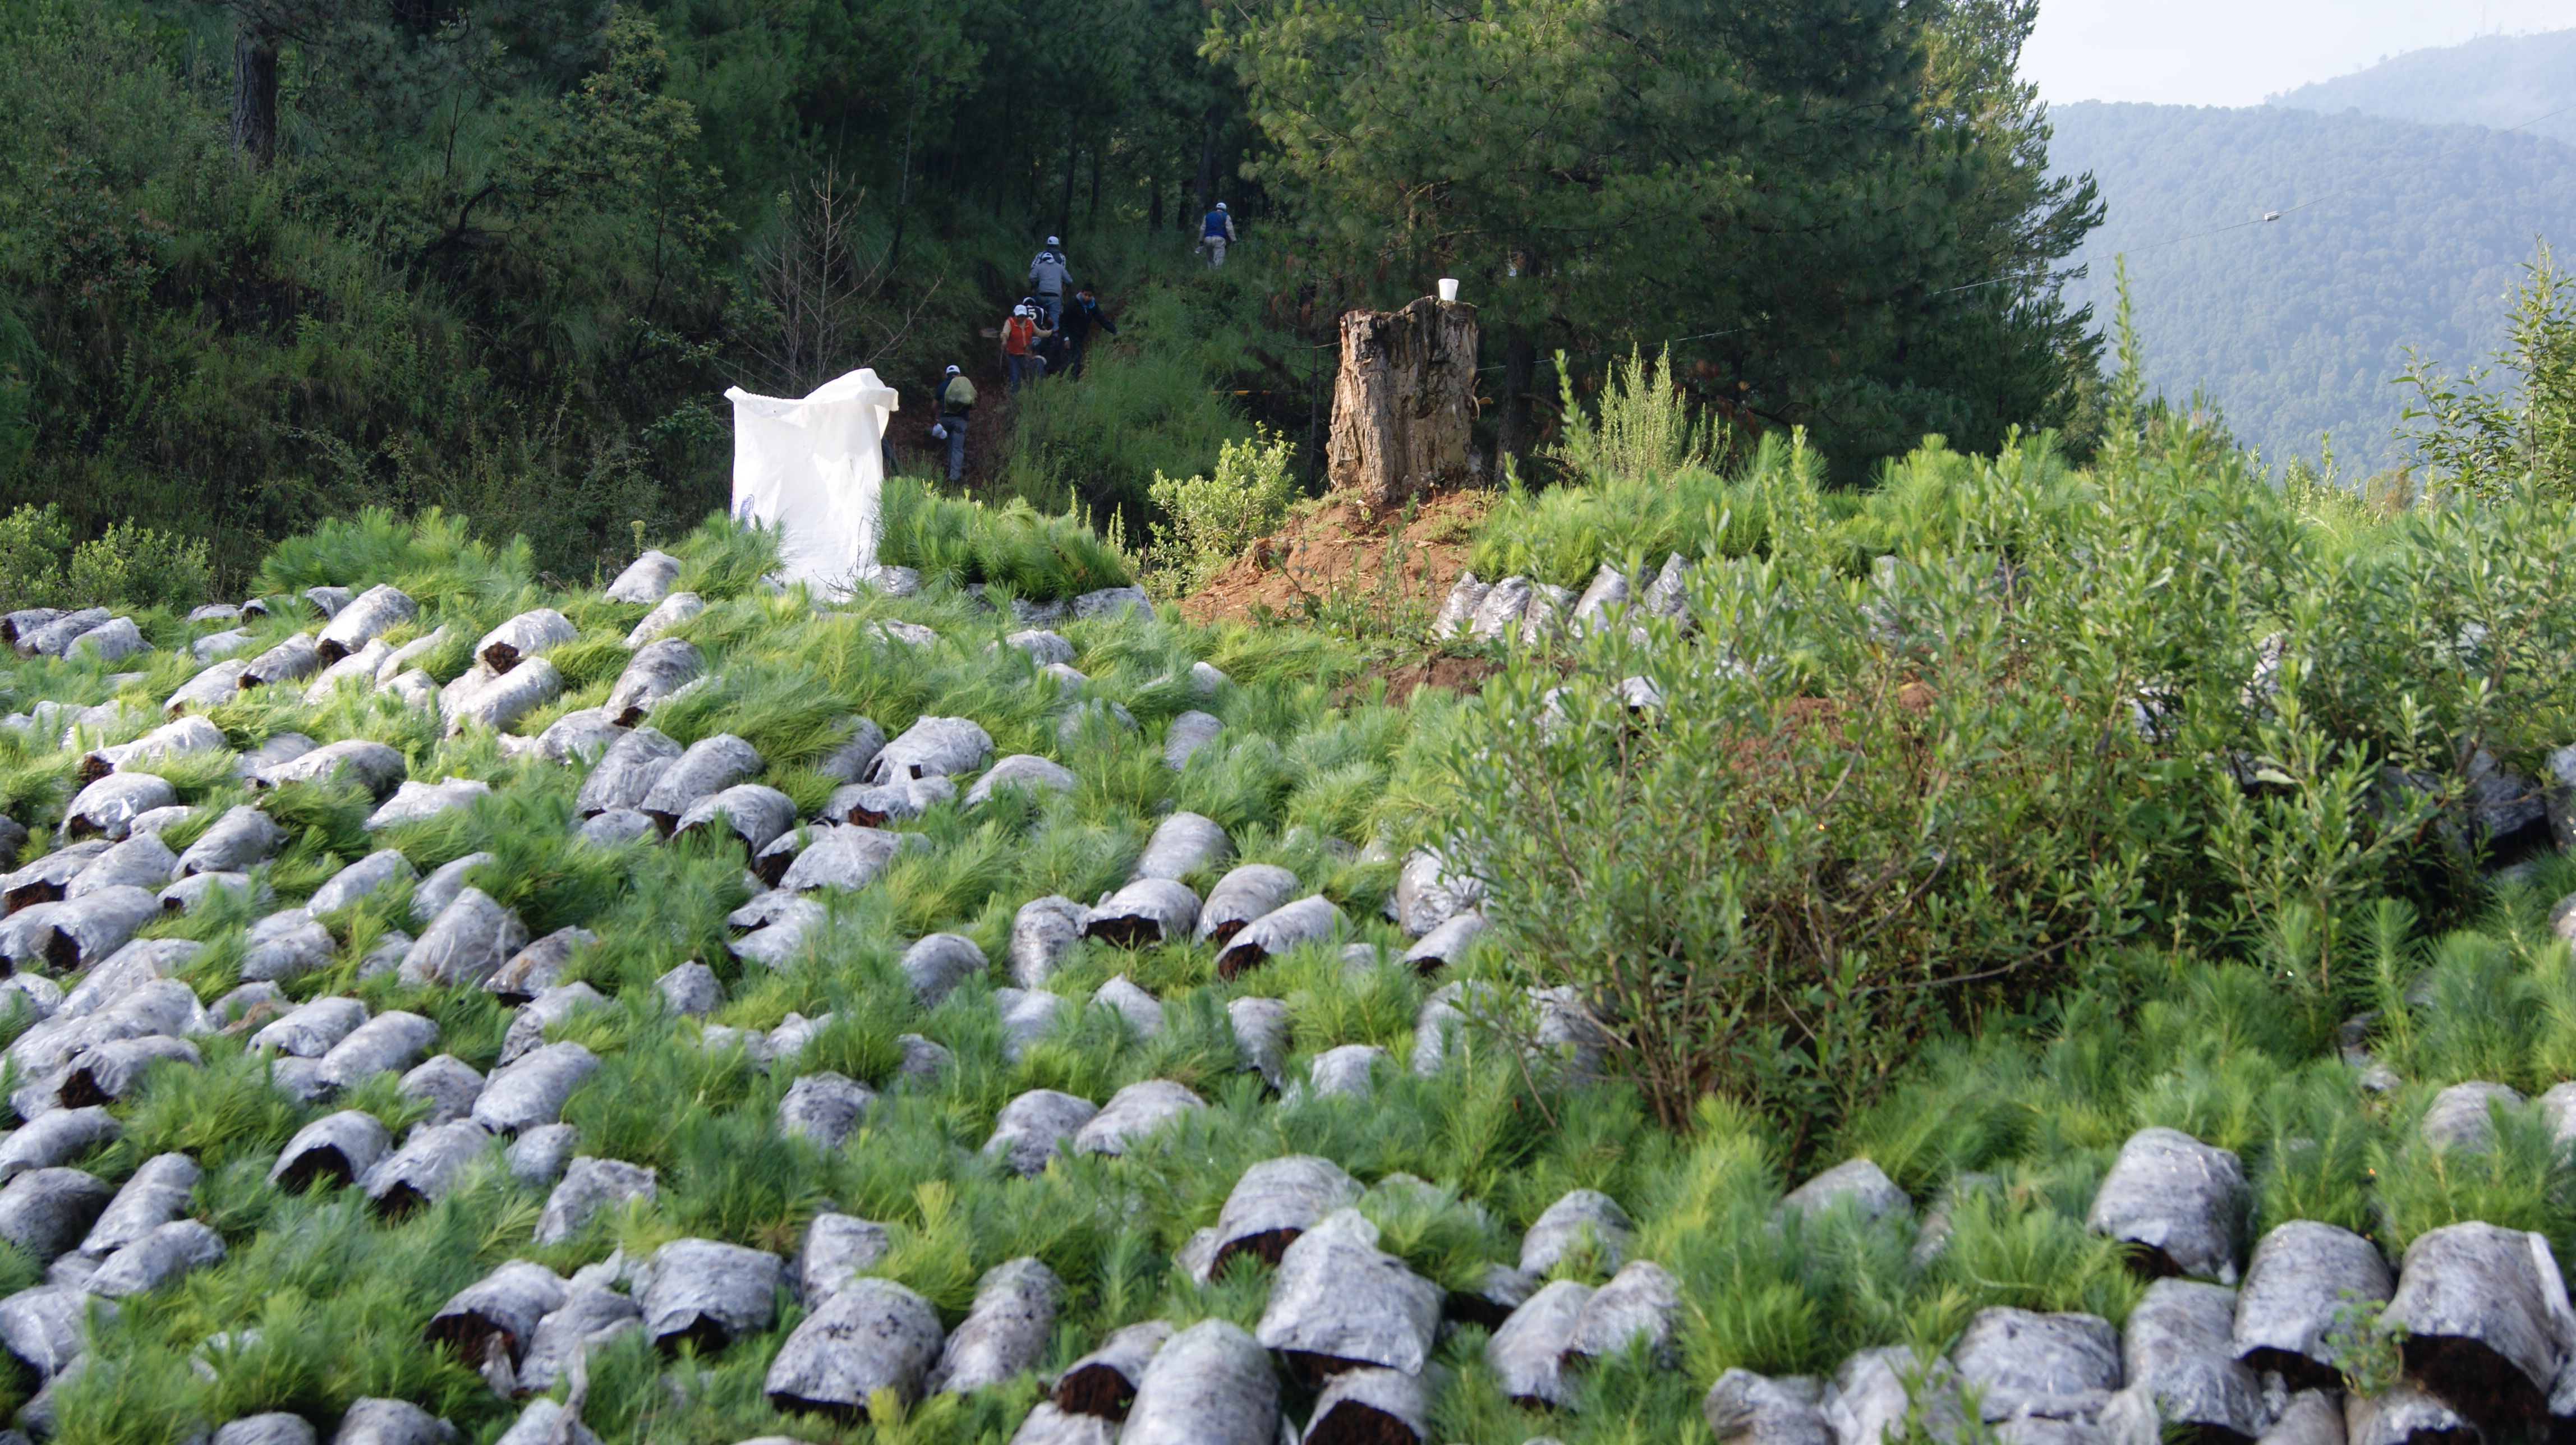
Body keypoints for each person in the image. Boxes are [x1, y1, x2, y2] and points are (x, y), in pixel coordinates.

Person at [1059, 283, 1117, 380]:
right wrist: (1066, 338)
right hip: (1069, 336)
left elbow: (1102, 319)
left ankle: (1074, 383)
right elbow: (1062, 321)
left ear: (1093, 296)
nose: (1087, 298)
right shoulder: (1072, 304)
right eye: (1085, 295)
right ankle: (1062, 382)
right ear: (1081, 293)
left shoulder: (1093, 306)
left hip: (1080, 337)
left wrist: (1115, 331)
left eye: (1089, 296)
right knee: (1067, 361)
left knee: (1077, 361)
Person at [933, 364, 974, 482]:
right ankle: (955, 477)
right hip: (960, 421)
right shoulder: (964, 386)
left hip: (945, 420)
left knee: (950, 444)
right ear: (959, 375)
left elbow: (934, 406)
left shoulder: (943, 386)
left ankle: (950, 469)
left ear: (946, 375)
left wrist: (935, 419)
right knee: (958, 448)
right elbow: (971, 403)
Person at [1000, 303, 1050, 392]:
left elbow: (1039, 333)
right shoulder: (1010, 322)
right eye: (1018, 316)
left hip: (1026, 356)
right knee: (1016, 379)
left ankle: (1031, 395)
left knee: (1030, 377)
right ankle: (1014, 398)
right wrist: (1004, 341)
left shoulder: (1030, 323)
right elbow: (1005, 334)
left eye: (1022, 316)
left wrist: (1051, 332)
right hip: (1014, 355)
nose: (1020, 319)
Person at [1028, 236, 1070, 326]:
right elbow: (1065, 278)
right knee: (1055, 318)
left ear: (1047, 245)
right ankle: (1054, 333)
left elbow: (1032, 270)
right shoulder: (1061, 257)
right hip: (1056, 293)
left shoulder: (1040, 255)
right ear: (1057, 246)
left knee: (1039, 314)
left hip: (1041, 292)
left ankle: (1038, 330)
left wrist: (1036, 285)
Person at [1199, 201, 1236, 269]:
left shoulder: (1207, 216)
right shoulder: (1226, 216)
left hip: (1207, 239)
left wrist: (1201, 242)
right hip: (1219, 240)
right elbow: (1230, 229)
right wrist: (1234, 241)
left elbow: (1202, 229)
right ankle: (1216, 274)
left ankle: (1210, 273)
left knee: (1210, 259)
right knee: (1218, 260)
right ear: (1224, 209)